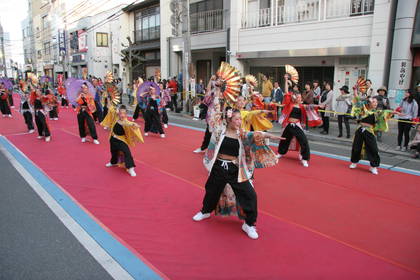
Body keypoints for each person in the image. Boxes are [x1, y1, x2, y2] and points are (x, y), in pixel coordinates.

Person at [192, 87, 280, 239]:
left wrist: (268, 135)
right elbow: (214, 114)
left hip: (236, 169)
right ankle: (205, 211)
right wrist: (217, 94)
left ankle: (249, 224)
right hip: (219, 166)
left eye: (240, 119)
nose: (240, 122)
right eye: (237, 119)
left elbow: (254, 135)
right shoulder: (220, 131)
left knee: (250, 195)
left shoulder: (242, 134)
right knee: (211, 189)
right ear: (229, 120)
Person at [277, 77, 323, 167]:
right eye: (296, 97)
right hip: (288, 125)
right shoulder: (289, 104)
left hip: (297, 125)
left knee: (303, 140)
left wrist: (319, 105)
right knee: (284, 139)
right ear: (294, 97)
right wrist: (286, 81)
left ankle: (304, 158)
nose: (298, 98)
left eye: (299, 97)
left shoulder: (302, 106)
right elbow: (286, 92)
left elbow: (311, 106)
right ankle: (280, 153)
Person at [349, 88, 396, 175]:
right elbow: (357, 100)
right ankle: (354, 162)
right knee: (356, 147)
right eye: (373, 102)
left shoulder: (377, 112)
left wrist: (394, 112)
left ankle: (373, 166)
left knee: (373, 148)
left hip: (369, 131)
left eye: (376, 102)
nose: (375, 103)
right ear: (369, 103)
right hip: (360, 130)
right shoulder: (363, 109)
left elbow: (386, 112)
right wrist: (355, 91)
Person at [101, 105, 143, 177]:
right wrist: (113, 108)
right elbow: (111, 110)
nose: (122, 115)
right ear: (118, 113)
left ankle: (130, 168)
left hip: (121, 140)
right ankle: (113, 162)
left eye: (124, 113)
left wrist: (133, 124)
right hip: (113, 138)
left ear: (126, 114)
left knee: (126, 152)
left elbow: (128, 123)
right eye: (121, 113)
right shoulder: (116, 117)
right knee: (113, 151)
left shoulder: (125, 121)